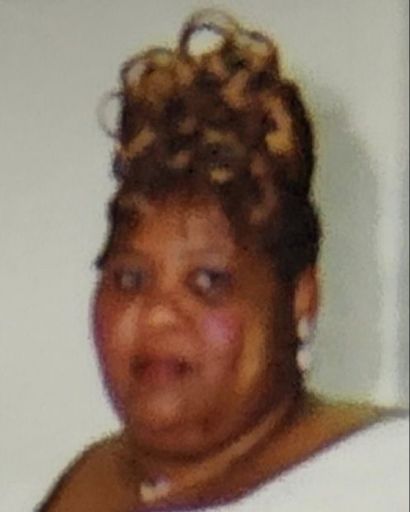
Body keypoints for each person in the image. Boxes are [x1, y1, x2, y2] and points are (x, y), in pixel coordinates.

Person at [37, 9, 408, 512]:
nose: (158, 314)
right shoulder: (88, 481)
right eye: (131, 277)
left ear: (300, 299)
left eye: (208, 281)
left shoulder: (383, 476)